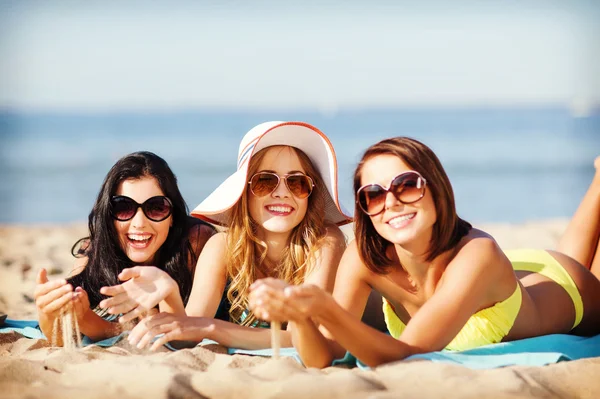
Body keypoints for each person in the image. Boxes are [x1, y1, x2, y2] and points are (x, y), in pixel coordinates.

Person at [248, 137, 600, 368]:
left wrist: (324, 308)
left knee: (577, 264)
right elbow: (323, 357)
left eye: (407, 186)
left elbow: (408, 354)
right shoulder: (363, 260)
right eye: (374, 194)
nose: (392, 202)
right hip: (512, 277)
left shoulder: (480, 253)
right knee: (566, 250)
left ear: (436, 189)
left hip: (570, 288)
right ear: (364, 208)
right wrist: (299, 314)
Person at [111, 121, 351, 351]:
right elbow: (187, 333)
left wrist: (213, 328)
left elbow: (309, 338)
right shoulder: (224, 245)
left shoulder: (325, 240)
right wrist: (170, 292)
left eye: (297, 183)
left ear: (311, 193)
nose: (281, 193)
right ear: (243, 192)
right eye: (265, 181)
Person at [33, 151, 216, 344]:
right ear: (108, 215)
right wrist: (48, 312)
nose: (139, 223)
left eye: (156, 207)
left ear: (172, 217)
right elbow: (60, 339)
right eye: (123, 207)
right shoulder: (97, 251)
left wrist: (93, 324)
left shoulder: (199, 242)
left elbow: (187, 337)